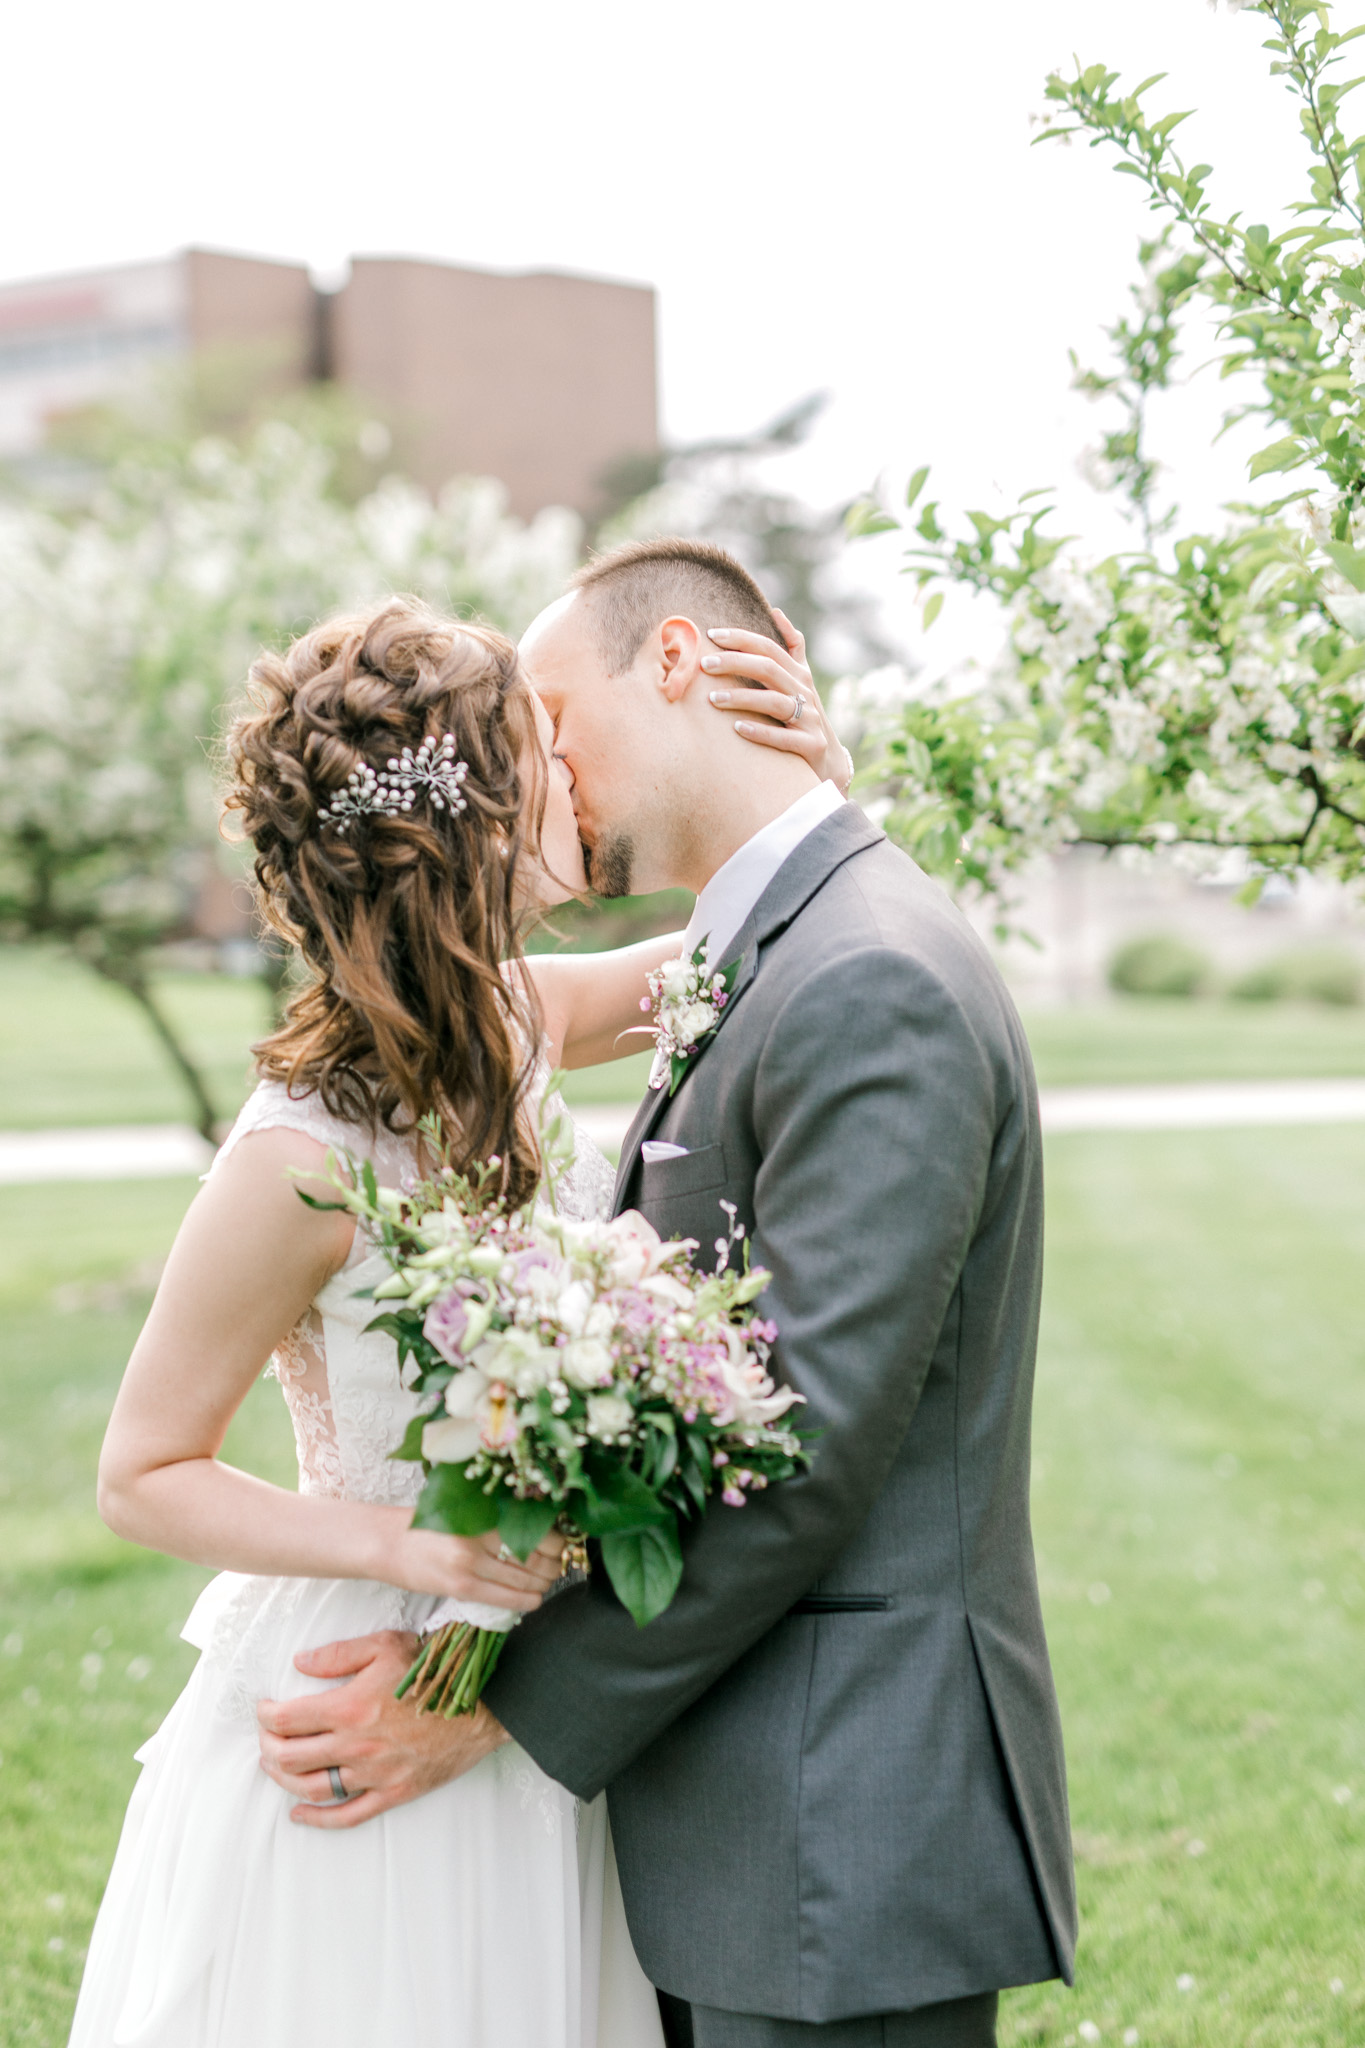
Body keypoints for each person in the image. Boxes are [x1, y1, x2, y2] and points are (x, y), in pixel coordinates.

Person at [259, 541, 1078, 2048]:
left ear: (681, 665)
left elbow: (809, 1452)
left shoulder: (862, 977)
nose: (537, 773)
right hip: (747, 1804)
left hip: (837, 1820)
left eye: (551, 718)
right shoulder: (767, 944)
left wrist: (484, 1705)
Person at [70, 591, 843, 2048]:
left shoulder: (507, 1018)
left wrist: (814, 797)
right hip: (350, 1686)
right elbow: (141, 1470)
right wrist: (408, 1551)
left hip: (526, 1671)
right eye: (541, 740)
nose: (574, 760)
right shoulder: (298, 1157)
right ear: (480, 816)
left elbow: (746, 963)